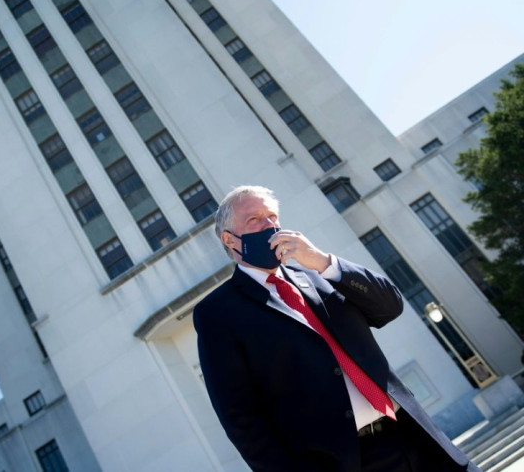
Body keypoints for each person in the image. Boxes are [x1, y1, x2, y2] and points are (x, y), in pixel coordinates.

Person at [193, 185, 480, 471]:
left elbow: (390, 307)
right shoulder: (218, 312)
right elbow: (240, 417)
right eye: (254, 219)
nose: (270, 225)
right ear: (230, 239)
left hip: (414, 436)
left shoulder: (319, 273)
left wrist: (322, 261)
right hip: (343, 462)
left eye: (272, 216)